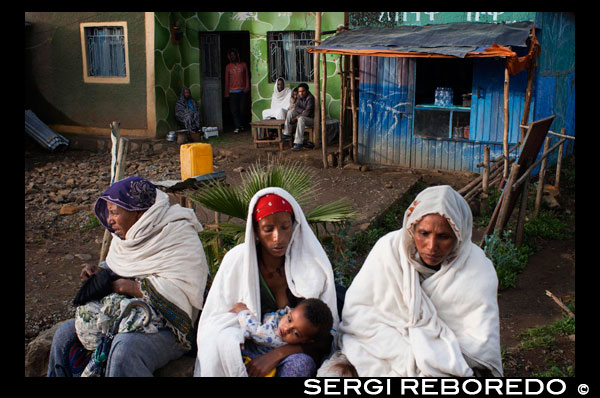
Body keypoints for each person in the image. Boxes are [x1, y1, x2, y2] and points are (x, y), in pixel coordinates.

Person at [318, 185, 503, 377]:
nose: (432, 246)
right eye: (424, 233)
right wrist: (410, 353)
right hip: (378, 351)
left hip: (448, 362)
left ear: (459, 236)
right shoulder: (389, 251)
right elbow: (360, 316)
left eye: (444, 237)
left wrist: (429, 353)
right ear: (411, 228)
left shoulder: (478, 271)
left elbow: (478, 343)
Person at [47, 176, 209, 377]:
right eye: (109, 213)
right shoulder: (126, 237)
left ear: (139, 213)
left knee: (125, 347)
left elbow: (185, 293)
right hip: (123, 318)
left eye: (114, 213)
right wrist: (101, 273)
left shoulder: (178, 234)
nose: (109, 220)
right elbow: (121, 265)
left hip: (170, 329)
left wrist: (130, 288)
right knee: (64, 334)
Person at [194, 187, 340, 377]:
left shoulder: (311, 265)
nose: (277, 238)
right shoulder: (237, 260)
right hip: (247, 342)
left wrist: (278, 354)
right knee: (221, 347)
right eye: (268, 229)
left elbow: (324, 337)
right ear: (255, 231)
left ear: (294, 226)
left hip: (292, 350)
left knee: (301, 365)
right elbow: (217, 318)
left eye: (285, 227)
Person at [230, 297, 334, 375]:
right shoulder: (287, 313)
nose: (285, 329)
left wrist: (243, 311)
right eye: (289, 319)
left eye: (296, 333)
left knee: (302, 363)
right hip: (251, 354)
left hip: (270, 364)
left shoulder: (272, 335)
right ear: (290, 311)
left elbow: (255, 331)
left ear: (307, 341)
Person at [224, 48, 250, 133]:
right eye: (231, 55)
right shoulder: (228, 67)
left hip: (242, 91)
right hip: (232, 92)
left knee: (242, 109)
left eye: (234, 55)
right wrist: (226, 92)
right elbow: (227, 80)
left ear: (237, 55)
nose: (232, 57)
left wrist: (247, 87)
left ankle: (242, 125)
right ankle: (237, 126)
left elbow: (247, 76)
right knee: (234, 110)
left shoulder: (243, 65)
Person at [283, 83, 315, 151]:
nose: (301, 93)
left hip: (311, 119)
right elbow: (296, 107)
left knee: (301, 119)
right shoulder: (298, 96)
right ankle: (287, 134)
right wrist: (302, 111)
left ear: (307, 91)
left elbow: (307, 113)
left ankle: (298, 143)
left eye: (303, 91)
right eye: (299, 91)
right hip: (302, 114)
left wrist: (297, 117)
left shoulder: (310, 98)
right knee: (290, 112)